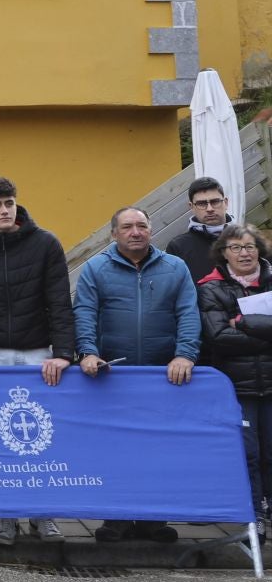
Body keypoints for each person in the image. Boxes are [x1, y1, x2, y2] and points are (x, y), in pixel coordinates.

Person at [0, 175, 77, 546]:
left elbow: (60, 302)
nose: (4, 210)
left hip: (38, 353)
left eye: (8, 202)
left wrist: (63, 354)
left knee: (41, 436)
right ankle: (5, 515)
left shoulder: (45, 244)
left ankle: (45, 516)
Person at [75, 206, 201, 544]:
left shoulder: (176, 268)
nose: (135, 232)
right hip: (112, 378)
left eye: (142, 226)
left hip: (163, 378)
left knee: (158, 450)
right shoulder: (95, 268)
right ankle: (115, 518)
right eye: (127, 226)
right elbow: (84, 311)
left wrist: (185, 355)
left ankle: (152, 519)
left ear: (150, 230)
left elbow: (188, 312)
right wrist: (87, 352)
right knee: (115, 449)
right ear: (113, 233)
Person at [197, 225, 272, 535]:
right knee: (249, 454)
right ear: (223, 252)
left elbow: (232, 330)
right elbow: (218, 337)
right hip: (236, 388)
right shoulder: (211, 288)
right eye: (236, 247)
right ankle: (256, 517)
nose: (244, 252)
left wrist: (242, 323)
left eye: (250, 246)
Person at [168, 177, 234, 281]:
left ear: (225, 203)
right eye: (201, 204)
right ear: (191, 207)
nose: (210, 209)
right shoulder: (178, 247)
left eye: (215, 201)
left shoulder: (247, 240)